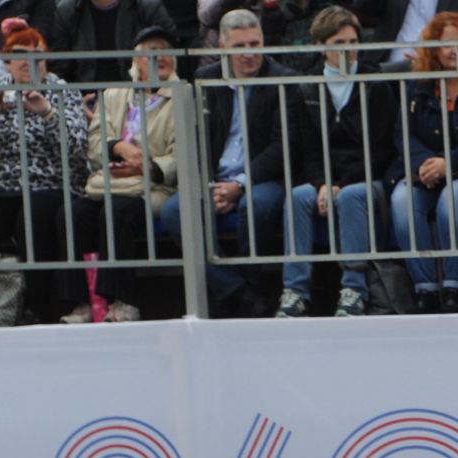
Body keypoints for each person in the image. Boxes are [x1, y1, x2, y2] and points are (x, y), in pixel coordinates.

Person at [0, 21, 87, 325]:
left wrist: (47, 113)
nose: (28, 61)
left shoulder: (62, 92)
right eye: (20, 54)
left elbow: (77, 146)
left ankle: (35, 306)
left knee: (33, 217)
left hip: (49, 181)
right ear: (7, 61)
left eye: (36, 54)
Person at [158, 8, 291, 319]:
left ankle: (251, 286)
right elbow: (198, 142)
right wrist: (210, 187)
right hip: (216, 180)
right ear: (221, 48)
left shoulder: (282, 79)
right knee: (175, 210)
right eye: (239, 47)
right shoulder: (205, 80)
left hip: (262, 178)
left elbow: (283, 145)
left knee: (254, 205)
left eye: (254, 45)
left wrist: (240, 184)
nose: (249, 54)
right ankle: (239, 292)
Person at [278, 6, 392, 319]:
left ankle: (354, 288)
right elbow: (309, 150)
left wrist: (341, 185)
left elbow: (381, 148)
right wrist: (323, 184)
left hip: (367, 176)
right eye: (339, 43)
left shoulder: (376, 81)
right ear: (321, 45)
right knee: (297, 197)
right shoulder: (306, 87)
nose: (348, 50)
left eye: (353, 42)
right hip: (325, 178)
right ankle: (295, 291)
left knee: (353, 196)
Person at [387, 11, 458, 313]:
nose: (453, 51)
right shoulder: (418, 86)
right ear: (433, 50)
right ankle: (425, 288)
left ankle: (454, 287)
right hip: (424, 172)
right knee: (402, 199)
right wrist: (426, 162)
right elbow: (402, 134)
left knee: (452, 198)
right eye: (445, 44)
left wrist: (448, 163)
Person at [64, 24, 179, 324]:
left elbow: (181, 155)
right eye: (151, 52)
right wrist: (118, 149)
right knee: (74, 213)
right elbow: (94, 142)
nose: (160, 57)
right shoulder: (114, 95)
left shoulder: (183, 97)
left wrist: (148, 165)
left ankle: (122, 301)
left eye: (165, 51)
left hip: (151, 187)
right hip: (110, 181)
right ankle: (84, 302)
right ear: (135, 61)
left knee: (115, 213)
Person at [39, 0, 173, 83]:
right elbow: (60, 68)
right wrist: (76, 101)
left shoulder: (147, 7)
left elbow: (172, 56)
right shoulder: (66, 12)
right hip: (88, 101)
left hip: (139, 96)